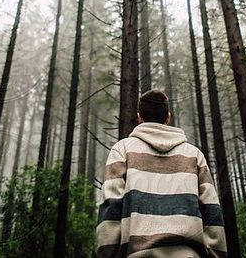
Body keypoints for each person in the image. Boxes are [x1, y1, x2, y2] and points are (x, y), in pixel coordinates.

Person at [96, 89, 227, 257]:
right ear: (168, 118)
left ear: (139, 118)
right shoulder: (194, 155)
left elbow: (111, 208)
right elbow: (212, 211)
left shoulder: (122, 150)